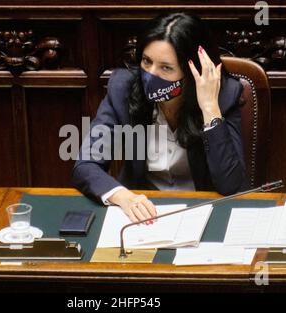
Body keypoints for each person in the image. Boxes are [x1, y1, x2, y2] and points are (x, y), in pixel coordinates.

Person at [72, 12, 249, 223]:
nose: (151, 75)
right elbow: (86, 165)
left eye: (166, 68)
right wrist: (124, 197)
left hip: (203, 213)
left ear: (193, 71)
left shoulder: (224, 95)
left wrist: (210, 109)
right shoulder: (123, 89)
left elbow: (231, 186)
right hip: (144, 214)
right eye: (147, 62)